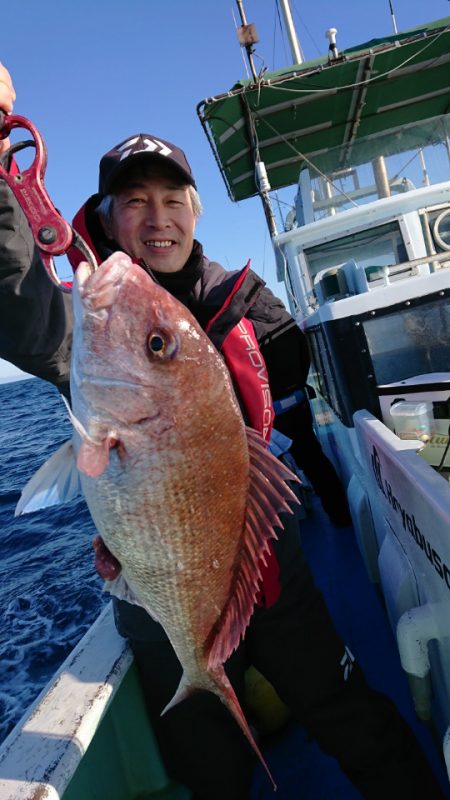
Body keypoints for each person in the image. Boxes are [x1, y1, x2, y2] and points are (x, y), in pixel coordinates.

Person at [0, 65, 446, 800]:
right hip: (158, 591)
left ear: (197, 212)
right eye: (134, 202)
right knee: (211, 770)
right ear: (106, 220)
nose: (158, 218)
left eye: (173, 199)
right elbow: (19, 301)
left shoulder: (243, 300)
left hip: (276, 572)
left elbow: (290, 375)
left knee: (352, 715)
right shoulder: (91, 325)